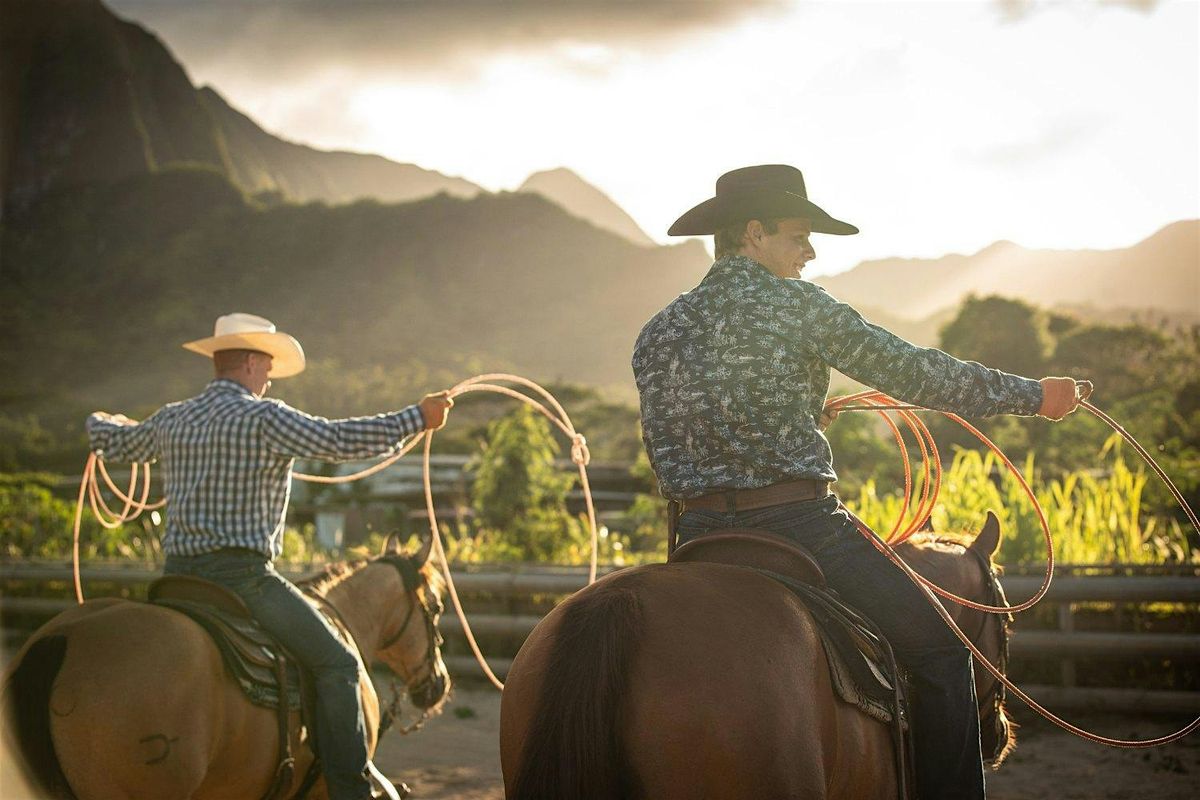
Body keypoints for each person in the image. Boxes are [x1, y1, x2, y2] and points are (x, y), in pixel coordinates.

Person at [632, 165, 1087, 800]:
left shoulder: (657, 333)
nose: (811, 251)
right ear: (754, 234)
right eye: (799, 235)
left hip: (698, 534)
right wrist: (1034, 395)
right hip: (799, 525)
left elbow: (674, 439)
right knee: (942, 656)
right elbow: (919, 374)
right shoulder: (798, 307)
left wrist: (788, 413)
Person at [87, 312, 453, 800]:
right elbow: (341, 440)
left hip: (175, 580)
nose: (269, 378)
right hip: (243, 580)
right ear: (253, 363)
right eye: (268, 367)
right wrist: (418, 418)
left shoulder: (172, 418)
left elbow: (114, 442)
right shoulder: (265, 417)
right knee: (339, 665)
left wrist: (98, 420)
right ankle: (351, 791)